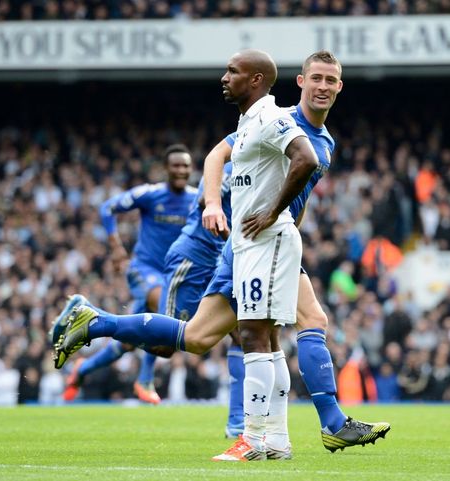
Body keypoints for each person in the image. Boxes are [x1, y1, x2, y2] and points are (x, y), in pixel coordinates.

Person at [53, 50, 390, 459]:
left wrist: (275, 226)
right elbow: (217, 156)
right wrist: (214, 203)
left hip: (268, 243)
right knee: (263, 332)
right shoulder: (277, 121)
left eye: (330, 80)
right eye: (315, 78)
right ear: (299, 83)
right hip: (253, 243)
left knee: (201, 337)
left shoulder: (322, 141)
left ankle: (96, 322)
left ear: (339, 88)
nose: (322, 86)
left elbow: (292, 196)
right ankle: (315, 426)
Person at [50, 144, 197, 404]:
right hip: (144, 269)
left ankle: (81, 369)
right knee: (162, 308)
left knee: (131, 340)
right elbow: (108, 208)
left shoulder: (197, 199)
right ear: (166, 168)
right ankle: (145, 379)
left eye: (185, 165)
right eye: (176, 165)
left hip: (174, 276)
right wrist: (117, 248)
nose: (181, 170)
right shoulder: (150, 194)